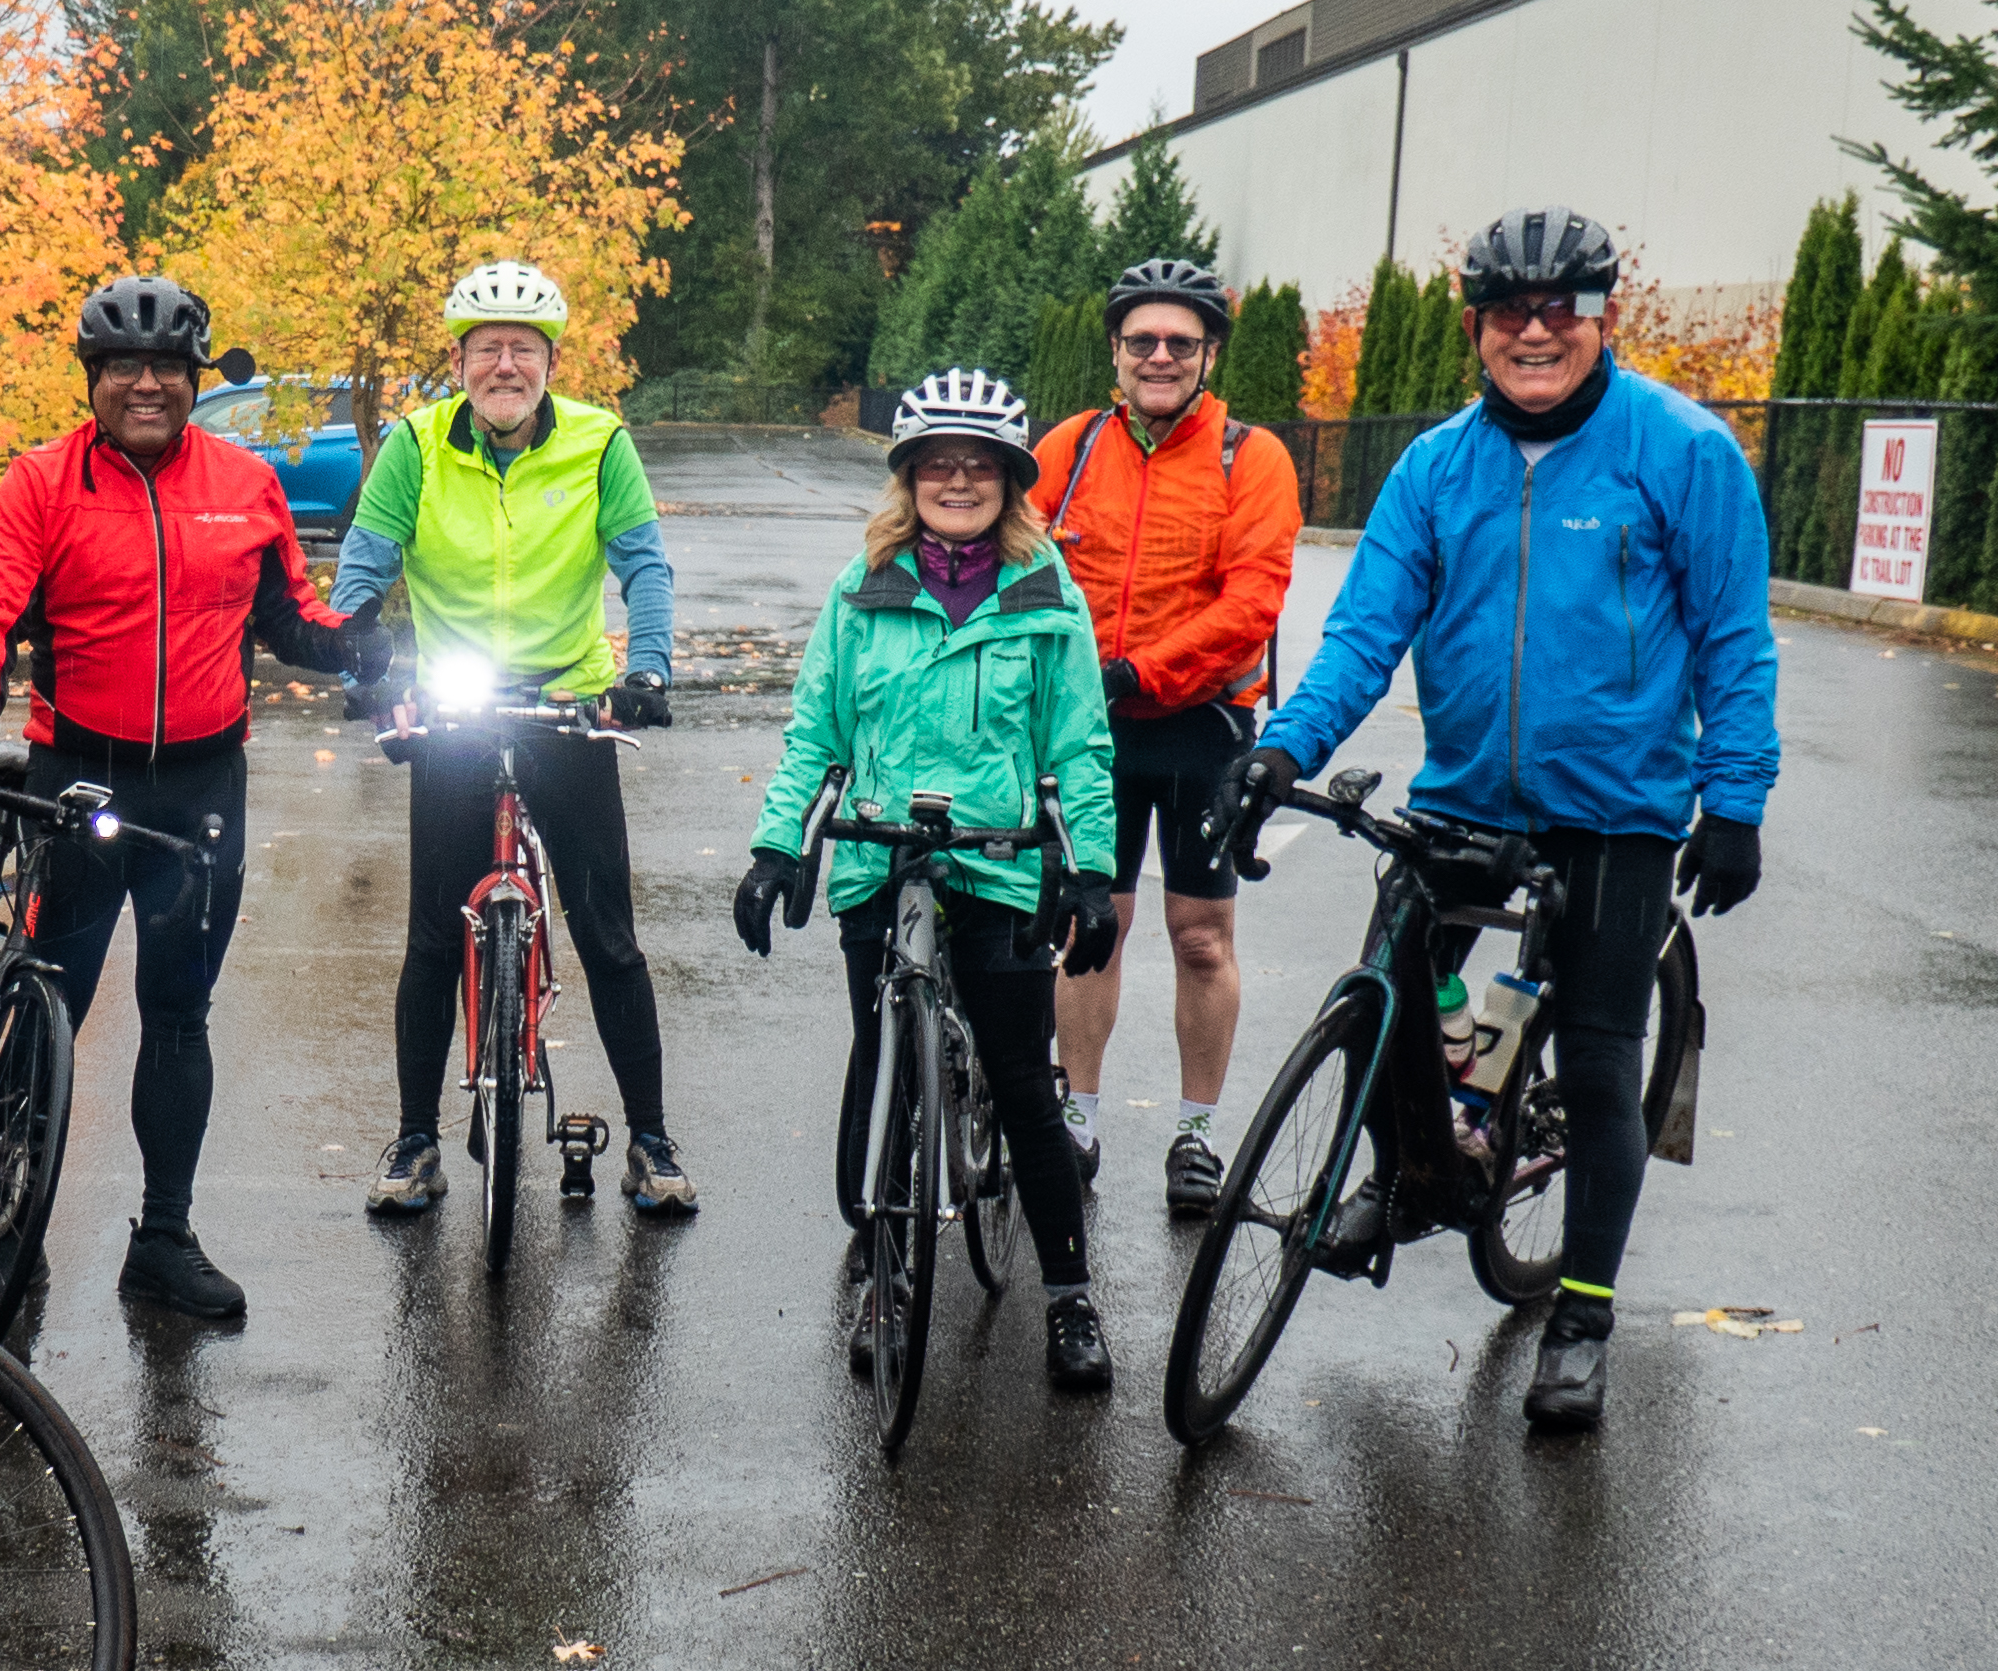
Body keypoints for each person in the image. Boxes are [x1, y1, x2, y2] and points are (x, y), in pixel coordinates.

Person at [1216, 205, 1776, 1433]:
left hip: (1618, 812)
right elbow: (1365, 633)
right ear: (1477, 328)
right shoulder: (1437, 467)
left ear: (1600, 319)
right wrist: (1283, 746)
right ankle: (1405, 1174)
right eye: (1509, 312)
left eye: (1559, 309)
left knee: (1594, 1056)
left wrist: (1731, 801)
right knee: (1383, 999)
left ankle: (1578, 1314)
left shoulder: (1681, 453)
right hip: (1466, 795)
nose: (1534, 332)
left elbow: (1735, 641)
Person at [0, 274, 373, 1321]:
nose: (146, 386)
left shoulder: (245, 483)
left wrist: (360, 651)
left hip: (202, 789)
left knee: (178, 1014)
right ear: (93, 380)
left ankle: (164, 1239)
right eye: (124, 368)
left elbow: (291, 619)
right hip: (75, 777)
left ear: (192, 379)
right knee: (48, 1008)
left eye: (167, 369)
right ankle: (10, 1226)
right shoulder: (41, 483)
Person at [737, 367, 1124, 1389]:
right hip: (879, 852)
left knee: (1021, 1087)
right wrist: (778, 849)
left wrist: (1089, 871)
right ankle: (882, 1263)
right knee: (883, 1060)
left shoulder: (1046, 597)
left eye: (978, 465)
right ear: (908, 479)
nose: (958, 481)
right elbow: (814, 733)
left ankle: (1067, 1298)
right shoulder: (860, 590)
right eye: (937, 465)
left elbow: (1078, 750)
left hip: (996, 862)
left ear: (1008, 480)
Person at [333, 260, 692, 1218]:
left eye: (522, 349)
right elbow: (361, 569)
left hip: (567, 703)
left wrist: (645, 670)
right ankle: (415, 1141)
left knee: (608, 936)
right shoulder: (413, 445)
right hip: (454, 710)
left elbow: (643, 564)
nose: (504, 363)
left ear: (549, 362)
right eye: (486, 347)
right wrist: (366, 674)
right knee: (428, 939)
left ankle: (651, 1141)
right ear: (458, 360)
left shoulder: (599, 442)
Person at [1029, 256, 1301, 1218]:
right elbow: (1018, 565)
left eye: (1178, 342)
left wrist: (1140, 670)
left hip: (1200, 728)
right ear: (1115, 350)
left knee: (1199, 936)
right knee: (1089, 928)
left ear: (1207, 354)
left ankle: (1195, 1136)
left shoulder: (1247, 456)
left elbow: (1252, 601)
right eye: (1141, 339)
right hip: (1087, 731)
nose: (1158, 355)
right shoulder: (1067, 447)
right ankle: (1078, 1116)